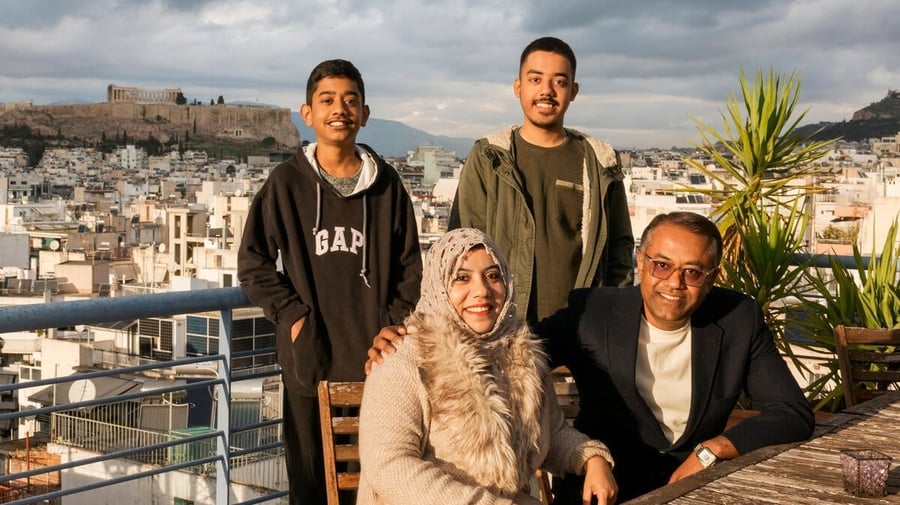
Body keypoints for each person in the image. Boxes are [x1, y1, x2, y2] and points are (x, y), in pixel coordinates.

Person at [369, 212, 814, 502]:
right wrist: (406, 337)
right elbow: (390, 465)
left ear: (711, 278)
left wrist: (710, 451)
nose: (674, 283)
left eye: (692, 272)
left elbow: (792, 411)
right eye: (661, 265)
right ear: (640, 262)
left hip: (690, 489)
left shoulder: (738, 319)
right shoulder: (592, 312)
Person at [238, 59, 423, 505]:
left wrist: (393, 327)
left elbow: (411, 269)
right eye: (327, 100)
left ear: (364, 113)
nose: (339, 109)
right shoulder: (285, 185)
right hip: (310, 366)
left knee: (375, 485)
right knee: (311, 487)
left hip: (376, 366)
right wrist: (295, 319)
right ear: (308, 114)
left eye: (350, 100)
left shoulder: (387, 186)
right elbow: (253, 262)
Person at [357, 228, 617, 505]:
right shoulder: (405, 357)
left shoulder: (521, 356)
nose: (481, 291)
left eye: (493, 276)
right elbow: (389, 466)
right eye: (462, 278)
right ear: (438, 285)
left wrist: (592, 457)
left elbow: (551, 435)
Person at [449, 36, 634, 325]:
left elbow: (620, 251)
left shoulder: (599, 162)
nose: (546, 91)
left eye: (559, 82)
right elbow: (460, 246)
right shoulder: (490, 157)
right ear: (518, 87)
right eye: (535, 79)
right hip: (502, 334)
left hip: (580, 337)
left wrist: (609, 321)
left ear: (573, 91)